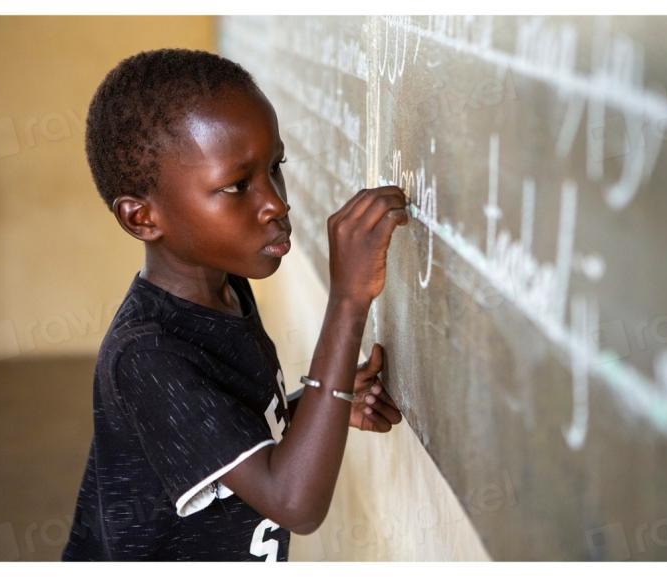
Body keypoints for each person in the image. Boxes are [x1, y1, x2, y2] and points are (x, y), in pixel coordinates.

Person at [61, 48, 409, 561]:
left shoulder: (225, 289)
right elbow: (294, 502)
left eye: (275, 168)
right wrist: (348, 302)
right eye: (236, 185)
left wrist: (318, 407)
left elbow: (225, 437)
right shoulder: (146, 354)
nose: (276, 204)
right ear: (141, 218)